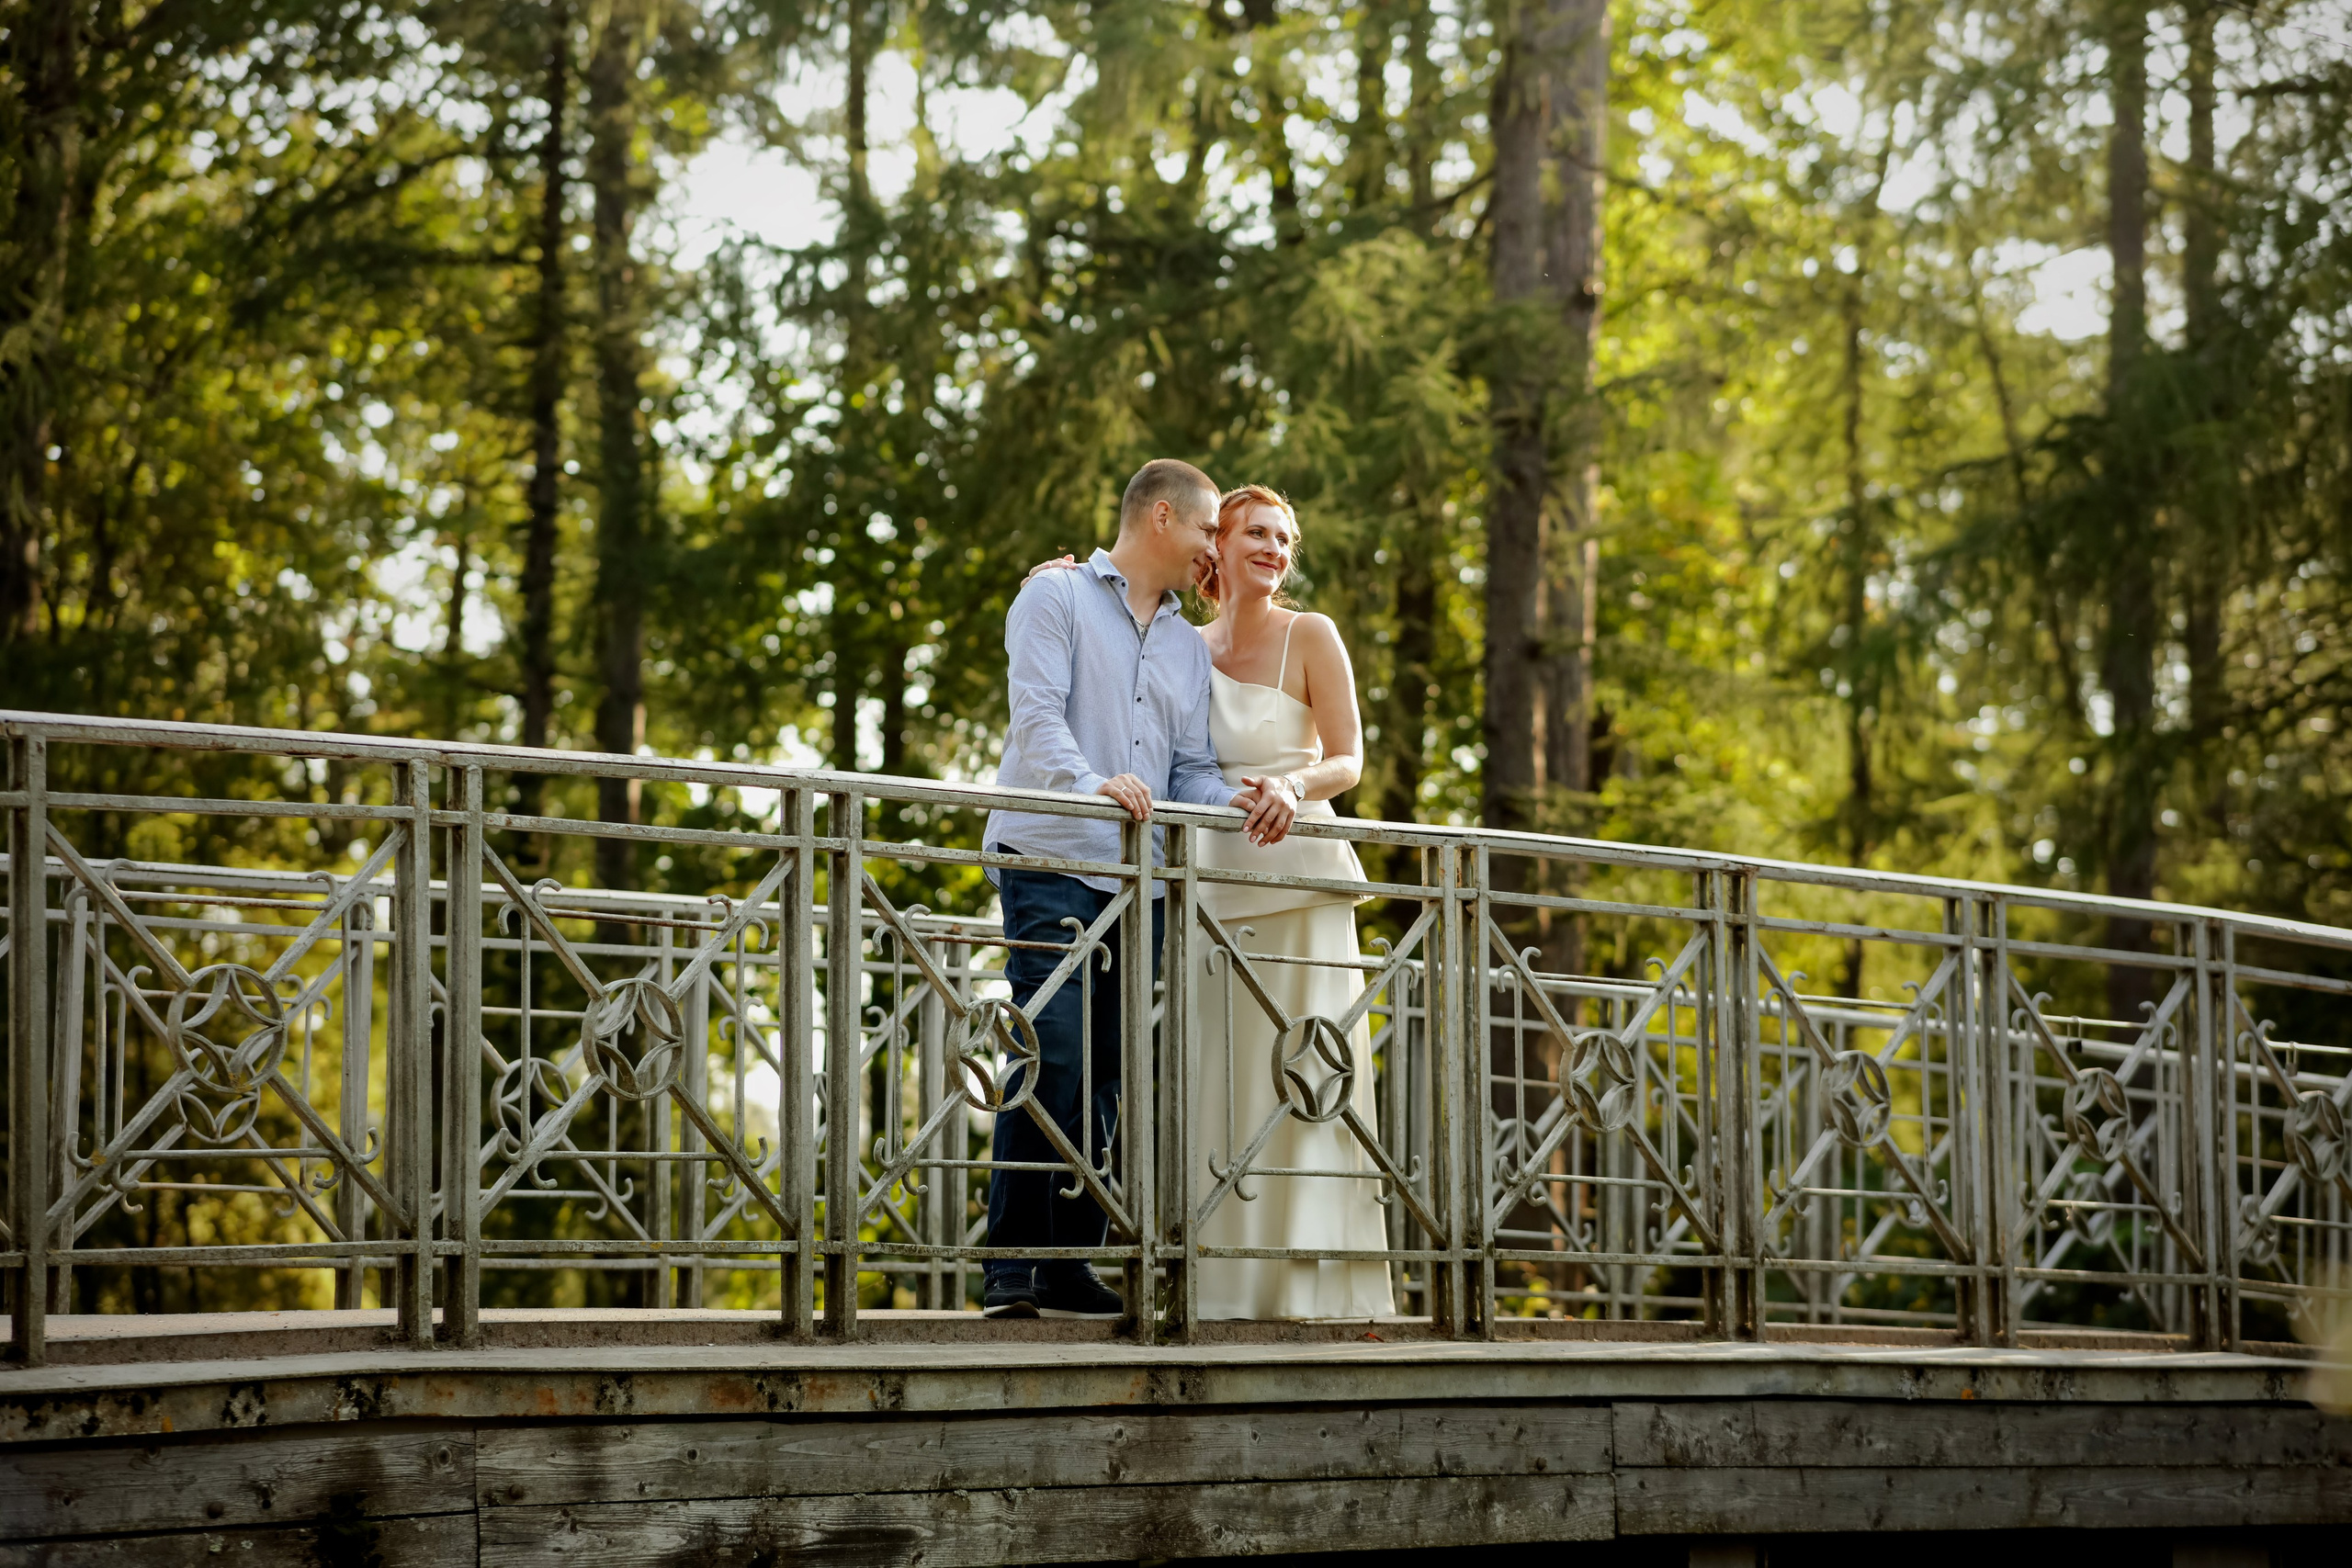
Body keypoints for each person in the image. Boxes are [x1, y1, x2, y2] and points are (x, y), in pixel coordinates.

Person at [1025, 484, 1396, 1320]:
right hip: (1208, 883)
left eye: (1285, 537)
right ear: (1213, 547)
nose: (1275, 548)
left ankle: (1314, 1283)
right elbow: (1140, 706)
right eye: (1256, 532)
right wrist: (1056, 577)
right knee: (1219, 1073)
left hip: (1297, 869)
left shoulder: (1314, 635)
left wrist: (1295, 787)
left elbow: (1350, 759)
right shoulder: (1182, 646)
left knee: (1307, 1064)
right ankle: (1224, 1281)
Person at [980, 459, 1295, 1320]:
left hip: (1140, 879)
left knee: (1110, 1071)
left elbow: (1189, 767)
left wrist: (1234, 800)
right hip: (1048, 853)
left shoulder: (1187, 647)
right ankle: (1008, 1260)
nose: (1209, 553)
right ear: (1164, 518)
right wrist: (1091, 783)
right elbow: (1036, 716)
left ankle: (1064, 1259)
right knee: (1054, 1050)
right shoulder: (1056, 599)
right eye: (1204, 532)